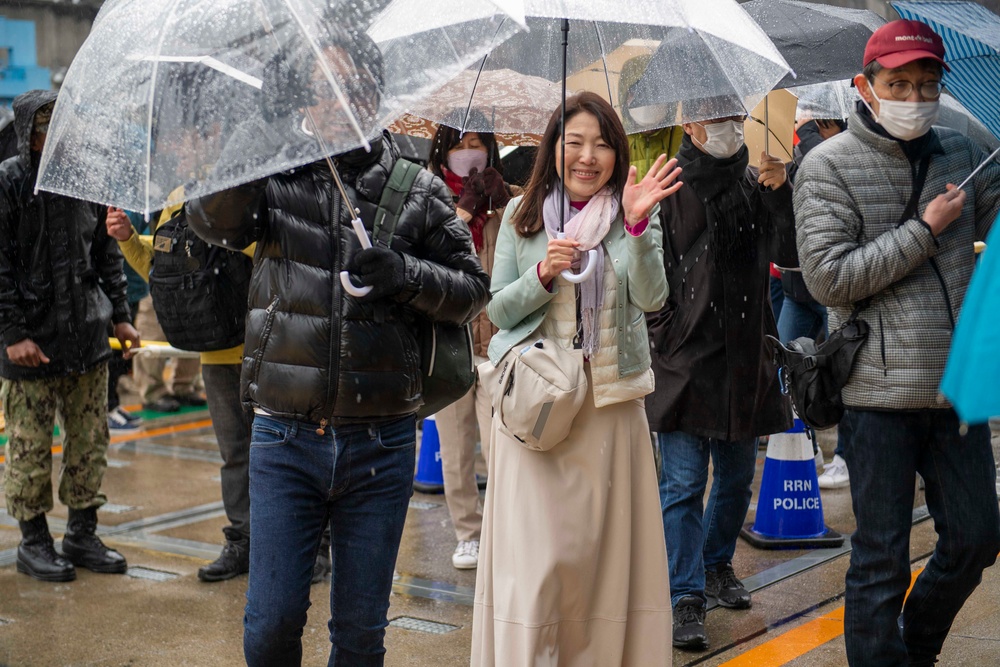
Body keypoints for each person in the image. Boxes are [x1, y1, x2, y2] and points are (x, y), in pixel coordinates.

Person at [186, 27, 490, 666]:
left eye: (348, 84)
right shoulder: (275, 178)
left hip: (379, 444)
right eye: (317, 87)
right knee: (270, 627)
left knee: (358, 634)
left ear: (373, 92)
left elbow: (471, 289)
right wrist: (258, 132)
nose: (335, 100)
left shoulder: (417, 187)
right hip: (284, 438)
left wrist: (406, 276)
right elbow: (211, 219)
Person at [793, 20, 1000, 666]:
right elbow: (829, 278)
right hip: (876, 392)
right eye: (899, 84)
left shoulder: (964, 155)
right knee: (880, 555)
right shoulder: (827, 167)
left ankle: (914, 649)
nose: (914, 96)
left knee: (976, 537)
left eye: (926, 84)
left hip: (953, 388)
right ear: (867, 86)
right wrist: (922, 230)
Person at [472, 91, 682, 666]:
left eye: (602, 144)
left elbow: (653, 296)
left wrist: (637, 228)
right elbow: (498, 312)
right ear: (554, 149)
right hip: (539, 413)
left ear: (617, 152)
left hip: (611, 412)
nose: (588, 156)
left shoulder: (632, 212)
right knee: (538, 566)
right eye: (575, 142)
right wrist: (543, 272)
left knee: (604, 568)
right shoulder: (522, 217)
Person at [645, 107, 797, 650]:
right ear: (691, 127)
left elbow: (790, 256)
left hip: (746, 357)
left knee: (736, 478)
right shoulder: (668, 185)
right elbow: (649, 268)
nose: (730, 126)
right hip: (685, 362)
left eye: (735, 114)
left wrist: (782, 191)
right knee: (682, 484)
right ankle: (685, 593)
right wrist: (668, 333)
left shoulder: (758, 181)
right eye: (716, 117)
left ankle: (716, 563)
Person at [0, 90, 142, 582]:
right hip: (31, 345)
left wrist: (120, 315)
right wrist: (12, 333)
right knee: (29, 447)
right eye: (42, 127)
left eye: (59, 124)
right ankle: (33, 540)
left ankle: (82, 533)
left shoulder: (84, 179)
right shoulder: (9, 182)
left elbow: (105, 256)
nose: (52, 135)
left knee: (89, 443)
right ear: (26, 132)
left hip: (87, 339)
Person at [106, 198, 255, 583]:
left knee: (286, 456)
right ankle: (242, 543)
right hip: (218, 351)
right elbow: (163, 273)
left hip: (270, 348)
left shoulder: (256, 187)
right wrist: (127, 240)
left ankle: (307, 547)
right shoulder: (175, 200)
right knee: (235, 455)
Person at [426, 123, 518, 570]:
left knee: (502, 446)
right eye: (459, 147)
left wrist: (502, 205)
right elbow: (429, 258)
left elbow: (529, 243)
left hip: (499, 345)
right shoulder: (430, 198)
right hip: (449, 345)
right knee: (456, 450)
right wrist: (461, 213)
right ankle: (468, 533)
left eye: (476, 145)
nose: (468, 154)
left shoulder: (510, 196)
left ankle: (506, 529)